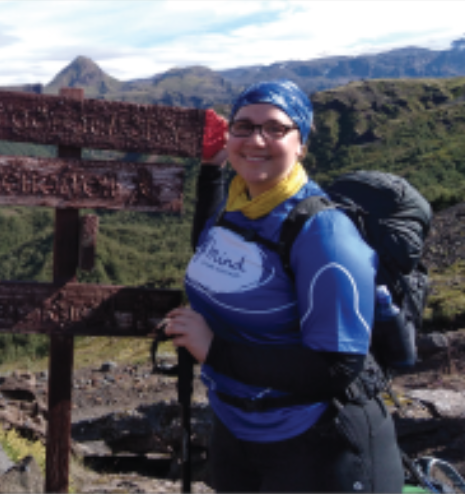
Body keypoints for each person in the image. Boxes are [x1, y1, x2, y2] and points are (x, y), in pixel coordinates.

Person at [164, 80, 404, 492]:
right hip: (237, 428)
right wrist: (211, 171)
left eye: (275, 128)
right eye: (243, 126)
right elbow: (213, 247)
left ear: (302, 144)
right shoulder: (240, 204)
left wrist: (213, 350)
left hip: (316, 444)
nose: (256, 139)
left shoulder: (324, 235)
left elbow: (336, 368)